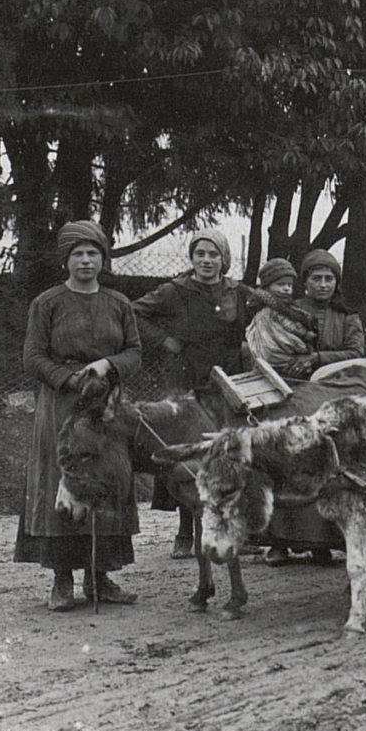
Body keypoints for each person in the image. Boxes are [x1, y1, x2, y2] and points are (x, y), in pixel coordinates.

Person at [14, 221, 143, 611]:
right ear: (66, 260)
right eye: (78, 254)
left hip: (106, 406)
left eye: (93, 253)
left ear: (103, 259)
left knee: (108, 479)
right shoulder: (47, 303)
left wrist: (108, 365)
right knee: (63, 480)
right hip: (61, 406)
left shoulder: (119, 304)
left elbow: (135, 352)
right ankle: (62, 581)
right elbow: (32, 357)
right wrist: (69, 379)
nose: (86, 261)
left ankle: (100, 578)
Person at [133, 228, 267, 558]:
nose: (206, 261)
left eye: (213, 255)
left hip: (226, 380)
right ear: (192, 258)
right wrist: (163, 340)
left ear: (224, 259)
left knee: (227, 452)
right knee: (185, 453)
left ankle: (232, 530)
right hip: (186, 377)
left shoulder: (237, 292)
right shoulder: (175, 290)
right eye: (200, 254)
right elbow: (133, 312)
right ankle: (184, 533)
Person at [280, 249, 366, 378]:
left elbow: (356, 353)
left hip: (337, 379)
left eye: (329, 279)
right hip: (292, 377)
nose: (323, 285)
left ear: (336, 282)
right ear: (305, 282)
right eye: (316, 279)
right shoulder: (289, 311)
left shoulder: (347, 316)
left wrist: (317, 358)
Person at [244, 258, 319, 371]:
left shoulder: (286, 306)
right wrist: (305, 334)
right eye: (281, 284)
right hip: (274, 354)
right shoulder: (273, 309)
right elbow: (287, 325)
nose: (286, 288)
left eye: (289, 285)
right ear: (268, 286)